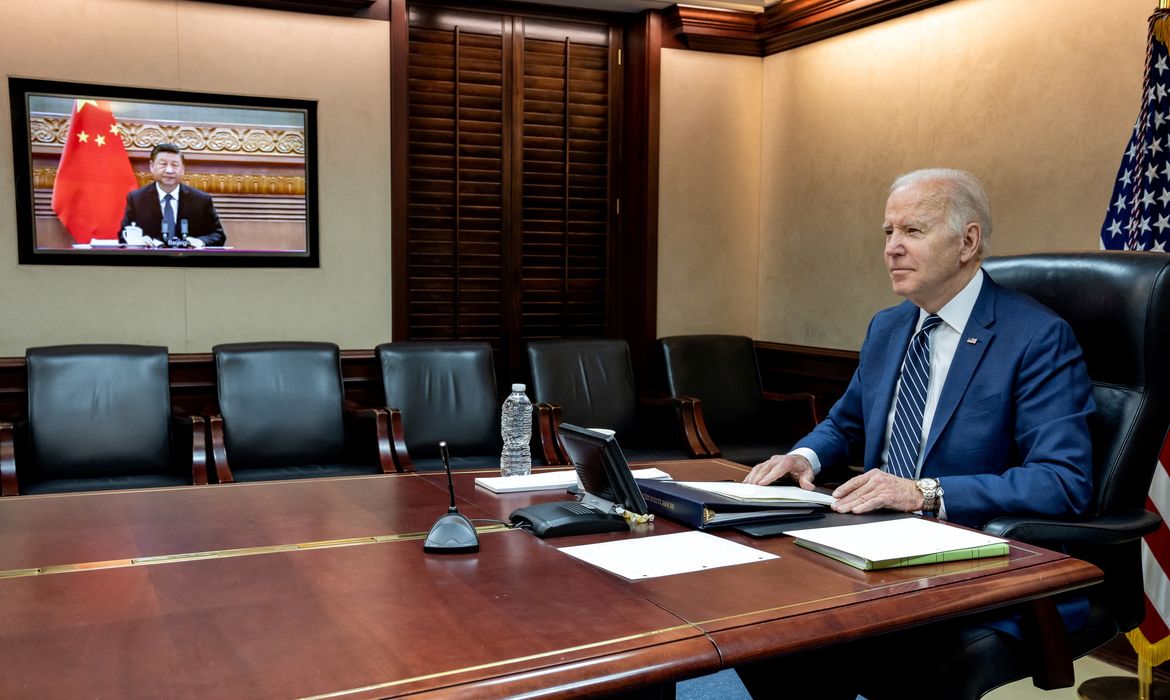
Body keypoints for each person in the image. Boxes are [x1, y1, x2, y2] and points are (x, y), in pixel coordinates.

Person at [736, 169, 1095, 699]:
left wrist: (924, 493)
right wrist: (807, 457)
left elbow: (1063, 480)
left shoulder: (1036, 337)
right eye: (888, 232)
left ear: (967, 242)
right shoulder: (889, 326)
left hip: (974, 560)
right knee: (761, 622)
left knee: (814, 638)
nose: (893, 249)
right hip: (869, 546)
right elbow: (847, 422)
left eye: (913, 231)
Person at [119, 143, 226, 248]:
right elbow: (123, 235)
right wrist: (138, 241)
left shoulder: (201, 200)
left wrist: (200, 242)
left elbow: (218, 236)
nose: (169, 170)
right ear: (152, 166)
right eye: (163, 164)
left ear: (183, 169)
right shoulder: (137, 199)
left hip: (189, 262)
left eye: (175, 165)